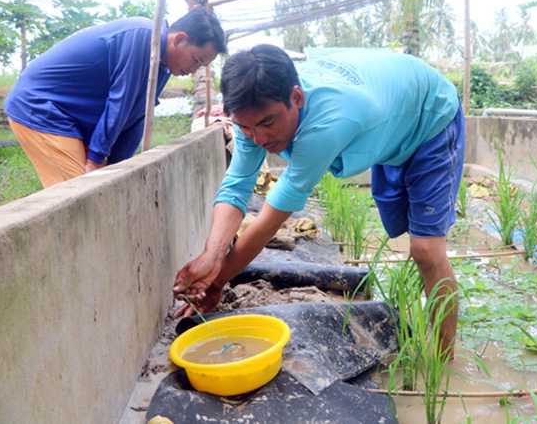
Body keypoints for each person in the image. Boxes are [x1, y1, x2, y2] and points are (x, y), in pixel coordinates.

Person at [173, 44, 464, 353]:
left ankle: (444, 360)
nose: (257, 138)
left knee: (426, 249)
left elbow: (273, 216)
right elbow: (236, 186)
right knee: (407, 228)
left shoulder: (328, 122)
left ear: (296, 97)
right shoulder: (255, 114)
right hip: (391, 118)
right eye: (245, 127)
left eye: (267, 124)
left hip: (430, 116)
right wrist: (211, 257)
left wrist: (217, 282)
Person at [4, 6, 226, 188]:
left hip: (69, 120)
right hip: (40, 108)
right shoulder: (143, 37)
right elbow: (120, 103)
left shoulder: (163, 66)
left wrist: (117, 168)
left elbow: (136, 115)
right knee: (78, 198)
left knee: (96, 191)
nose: (194, 68)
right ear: (179, 39)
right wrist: (95, 160)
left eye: (202, 65)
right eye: (196, 60)